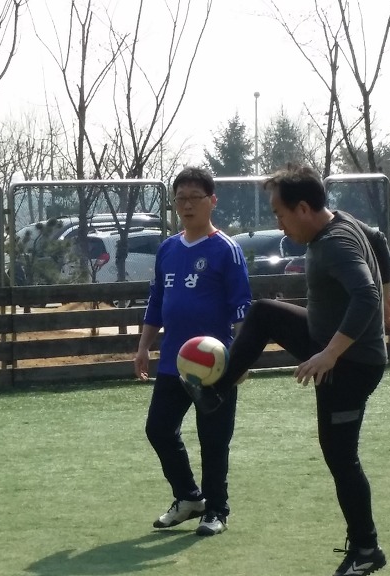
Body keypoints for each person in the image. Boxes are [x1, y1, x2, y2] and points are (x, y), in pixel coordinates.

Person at [191, 163, 390, 575]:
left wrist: (331, 354)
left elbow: (365, 295)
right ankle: (216, 392)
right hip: (328, 344)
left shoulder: (336, 242)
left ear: (303, 208)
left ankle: (366, 550)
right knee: (264, 313)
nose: (279, 224)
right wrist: (389, 292)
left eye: (280, 214)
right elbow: (378, 240)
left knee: (341, 457)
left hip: (352, 364)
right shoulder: (341, 220)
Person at [133, 166, 252, 537]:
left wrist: (241, 359)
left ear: (211, 201)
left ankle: (216, 510)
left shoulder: (227, 250)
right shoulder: (168, 249)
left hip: (215, 366)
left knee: (213, 440)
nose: (186, 205)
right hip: (175, 363)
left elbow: (242, 308)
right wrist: (143, 346)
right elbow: (156, 301)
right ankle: (188, 497)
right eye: (180, 198)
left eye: (194, 198)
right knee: (158, 429)